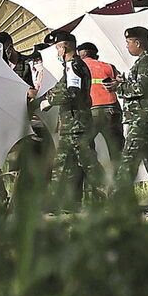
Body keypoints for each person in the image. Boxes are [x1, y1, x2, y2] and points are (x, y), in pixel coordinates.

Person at [105, 26, 148, 209]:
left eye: (129, 42)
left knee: (129, 158)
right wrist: (123, 82)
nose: (127, 46)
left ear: (138, 43)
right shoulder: (145, 61)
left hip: (144, 119)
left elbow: (142, 89)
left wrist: (118, 88)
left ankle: (118, 202)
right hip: (147, 118)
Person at [40, 31, 102, 209]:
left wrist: (49, 102)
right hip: (71, 125)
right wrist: (45, 98)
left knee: (88, 163)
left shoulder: (73, 65)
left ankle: (110, 194)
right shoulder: (72, 66)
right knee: (63, 165)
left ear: (63, 46)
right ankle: (59, 202)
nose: (57, 52)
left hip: (76, 125)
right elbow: (60, 87)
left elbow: (72, 92)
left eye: (57, 48)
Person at [78, 42, 124, 165]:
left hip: (91, 111)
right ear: (96, 56)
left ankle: (96, 177)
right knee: (116, 149)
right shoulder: (109, 67)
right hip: (112, 109)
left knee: (85, 147)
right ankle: (120, 180)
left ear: (81, 55)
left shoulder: (78, 67)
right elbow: (121, 81)